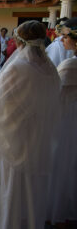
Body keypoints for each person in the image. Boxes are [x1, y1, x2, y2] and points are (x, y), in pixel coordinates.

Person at [0, 20, 61, 229]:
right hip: (38, 139)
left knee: (10, 188)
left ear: (20, 42)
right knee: (31, 189)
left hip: (12, 139)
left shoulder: (17, 68)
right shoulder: (51, 70)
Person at [47, 17, 77, 225]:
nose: (62, 40)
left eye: (65, 36)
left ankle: (60, 210)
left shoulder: (69, 66)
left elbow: (52, 94)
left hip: (68, 116)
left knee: (63, 160)